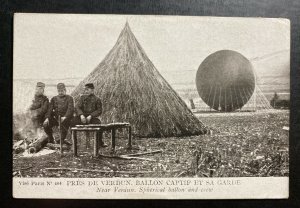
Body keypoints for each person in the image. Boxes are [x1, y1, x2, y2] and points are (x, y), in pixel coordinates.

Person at [73, 83, 107, 147]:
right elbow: (77, 107)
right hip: (82, 118)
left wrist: (91, 116)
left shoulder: (97, 99)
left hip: (91, 118)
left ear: (92, 90)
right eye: (85, 90)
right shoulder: (82, 98)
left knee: (98, 124)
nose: (86, 91)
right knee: (72, 121)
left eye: (87, 90)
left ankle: (99, 142)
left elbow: (99, 110)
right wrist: (81, 115)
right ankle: (74, 142)